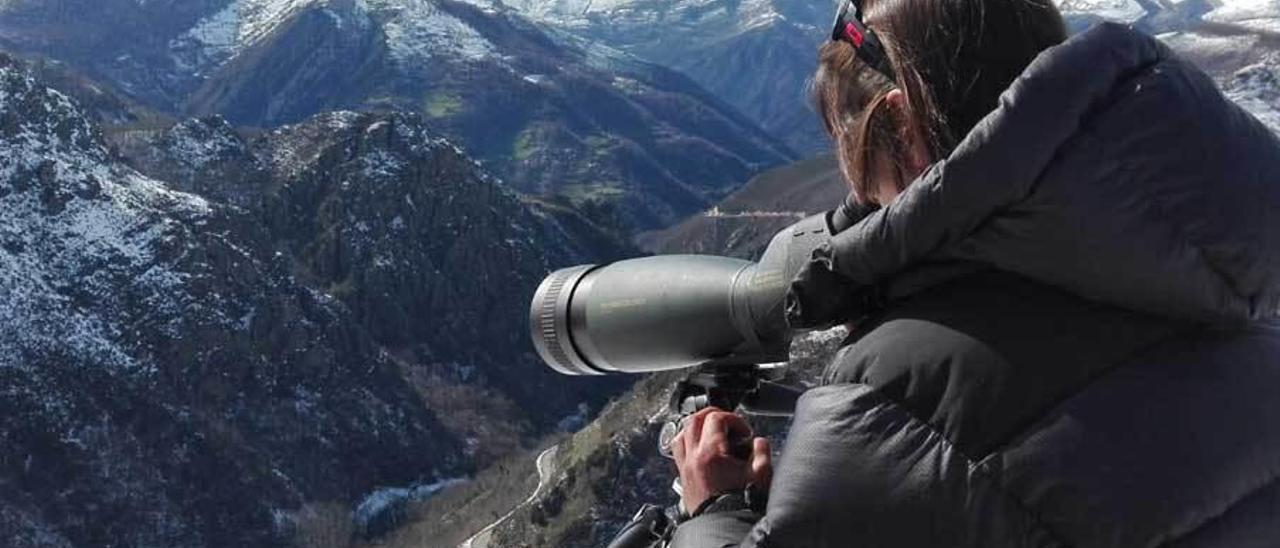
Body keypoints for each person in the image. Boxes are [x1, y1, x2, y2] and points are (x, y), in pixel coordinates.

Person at [656, 0, 1280, 545]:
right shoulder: (1229, 279)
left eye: (848, 138)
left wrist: (716, 508)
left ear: (901, 124)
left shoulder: (896, 393)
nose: (850, 176)